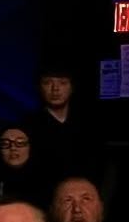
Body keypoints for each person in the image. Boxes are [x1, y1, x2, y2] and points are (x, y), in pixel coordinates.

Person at [24, 66, 103, 195]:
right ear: (39, 87)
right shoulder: (28, 126)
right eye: (48, 82)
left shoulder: (88, 125)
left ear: (72, 87)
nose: (55, 89)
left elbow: (101, 166)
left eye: (62, 82)